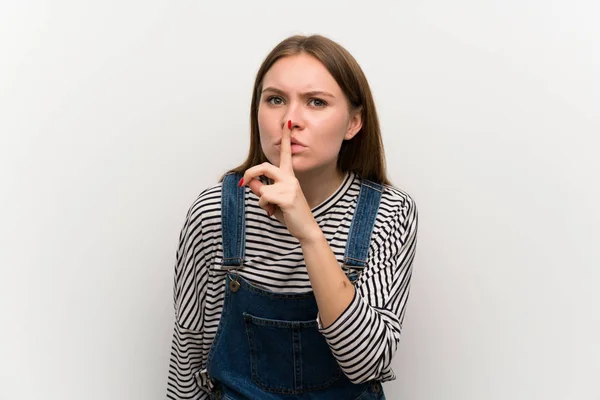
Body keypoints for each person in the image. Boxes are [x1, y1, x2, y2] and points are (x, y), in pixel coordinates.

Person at [166, 34, 419, 400]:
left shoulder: (389, 212)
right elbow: (188, 355)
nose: (290, 120)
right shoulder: (214, 212)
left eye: (316, 102)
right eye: (275, 100)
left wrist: (309, 234)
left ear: (353, 123)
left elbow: (366, 363)